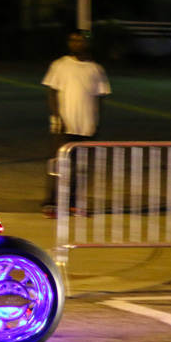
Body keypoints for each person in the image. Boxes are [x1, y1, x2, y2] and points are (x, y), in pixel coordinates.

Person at [40, 30, 111, 216]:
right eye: (73, 40)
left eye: (80, 41)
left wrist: (96, 122)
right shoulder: (60, 65)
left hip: (86, 127)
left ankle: (73, 202)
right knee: (58, 166)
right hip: (63, 126)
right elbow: (52, 93)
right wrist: (57, 117)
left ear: (88, 43)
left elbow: (100, 97)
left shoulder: (96, 69)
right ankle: (52, 203)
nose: (76, 44)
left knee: (80, 168)